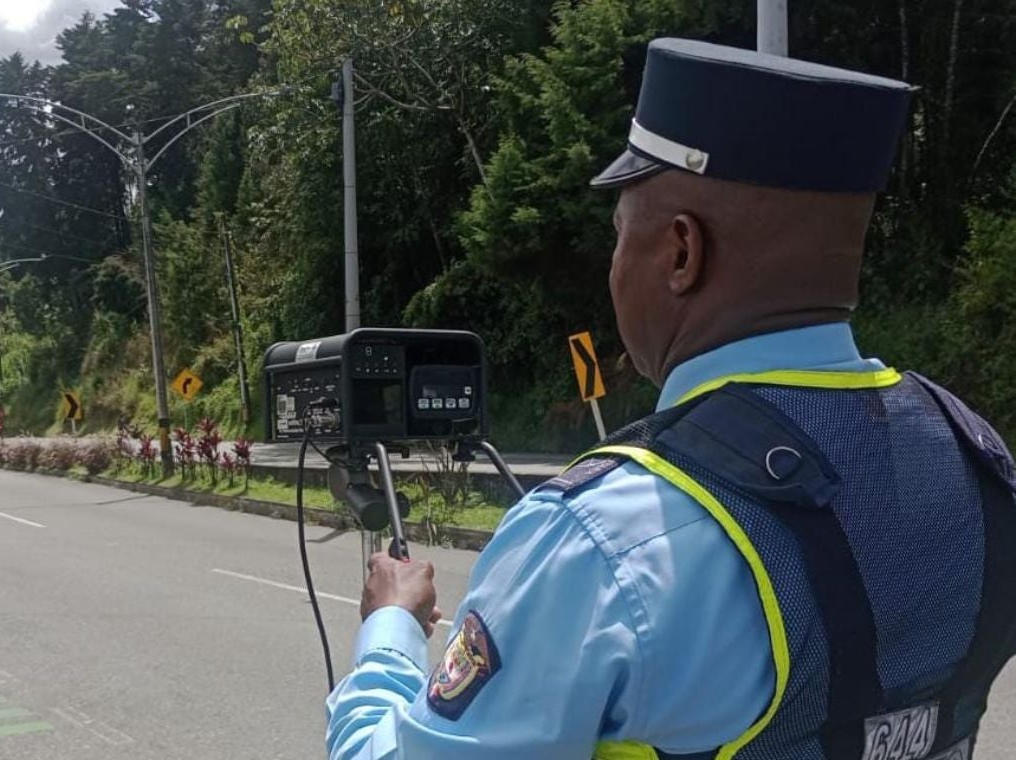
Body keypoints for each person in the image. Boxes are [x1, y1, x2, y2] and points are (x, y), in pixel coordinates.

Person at [326, 38, 1016, 759]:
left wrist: (389, 632)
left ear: (682, 252)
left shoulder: (604, 541)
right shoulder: (977, 464)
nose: (614, 266)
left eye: (621, 235)